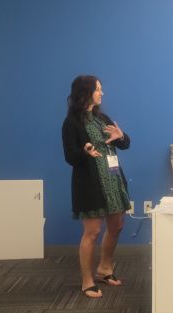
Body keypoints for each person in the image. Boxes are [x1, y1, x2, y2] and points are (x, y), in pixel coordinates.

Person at [62, 75, 131, 298]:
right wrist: (85, 152)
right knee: (92, 232)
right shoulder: (72, 122)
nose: (102, 93)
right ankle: (87, 281)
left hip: (112, 181)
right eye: (98, 89)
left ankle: (105, 269)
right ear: (86, 92)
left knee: (117, 226)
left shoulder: (102, 118)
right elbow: (70, 156)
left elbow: (124, 144)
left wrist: (121, 137)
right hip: (90, 184)